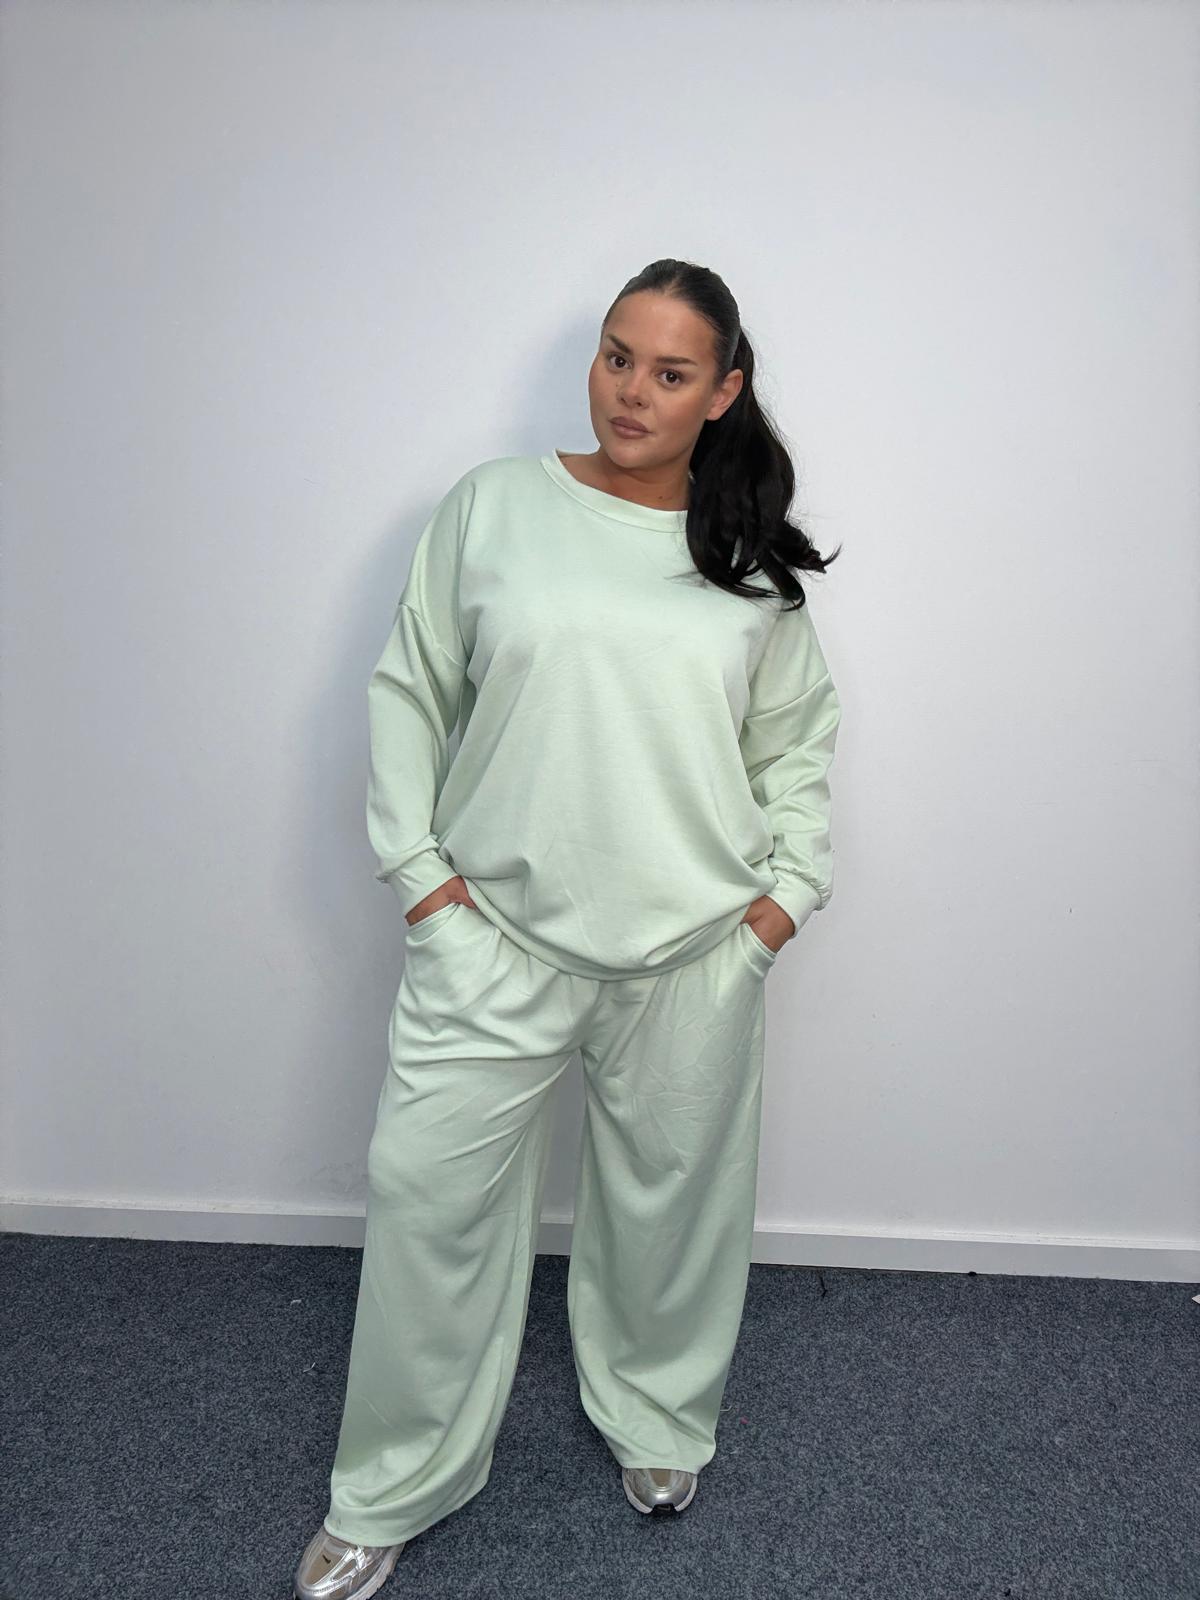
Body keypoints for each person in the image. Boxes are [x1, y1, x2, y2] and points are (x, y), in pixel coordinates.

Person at [294, 257, 843, 1600]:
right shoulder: (493, 506)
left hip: (693, 951)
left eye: (669, 372)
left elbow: (795, 746)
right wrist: (423, 881)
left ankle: (657, 1416)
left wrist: (778, 907)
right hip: (493, 936)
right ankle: (390, 1485)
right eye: (616, 357)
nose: (631, 391)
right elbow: (412, 689)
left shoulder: (746, 561)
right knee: (429, 1204)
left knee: (674, 1210)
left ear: (724, 392)